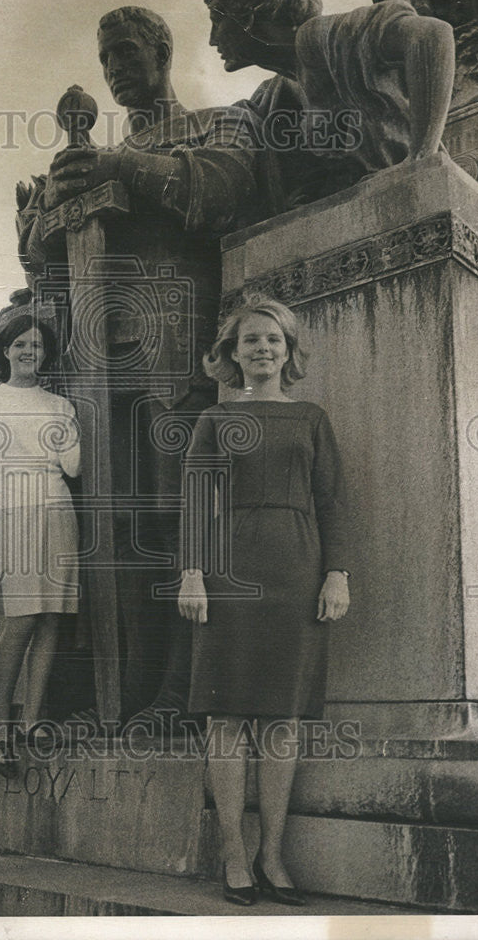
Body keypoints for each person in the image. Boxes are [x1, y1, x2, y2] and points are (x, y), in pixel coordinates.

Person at [18, 7, 262, 736]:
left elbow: (224, 189)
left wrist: (122, 166)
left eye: (128, 51)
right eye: (106, 57)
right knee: (114, 524)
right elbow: (42, 266)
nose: (117, 67)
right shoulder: (84, 160)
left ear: (163, 51)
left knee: (179, 519)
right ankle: (119, 694)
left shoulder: (215, 125)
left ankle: (183, 692)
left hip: (177, 351)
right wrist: (44, 212)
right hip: (98, 369)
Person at [178, 297, 351, 906]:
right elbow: (197, 501)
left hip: (297, 569)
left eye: (273, 340)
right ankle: (232, 853)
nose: (263, 350)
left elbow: (331, 501)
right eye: (250, 341)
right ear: (231, 353)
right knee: (226, 718)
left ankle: (271, 853)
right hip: (228, 572)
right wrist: (192, 574)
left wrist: (337, 573)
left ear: (289, 349)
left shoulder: (310, 417)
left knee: (283, 717)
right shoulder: (215, 420)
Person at [203, 0, 456, 212]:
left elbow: (431, 35)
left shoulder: (315, 38)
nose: (213, 39)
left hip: (414, 203)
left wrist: (421, 158)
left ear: (247, 17)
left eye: (218, 20)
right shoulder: (282, 88)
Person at [0, 315, 80, 771]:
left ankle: (32, 722)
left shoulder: (60, 406)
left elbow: (71, 466)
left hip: (58, 510)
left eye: (37, 345)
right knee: (22, 620)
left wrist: (73, 424)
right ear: (6, 351)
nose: (30, 351)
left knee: (52, 617)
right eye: (21, 344)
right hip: (13, 513)